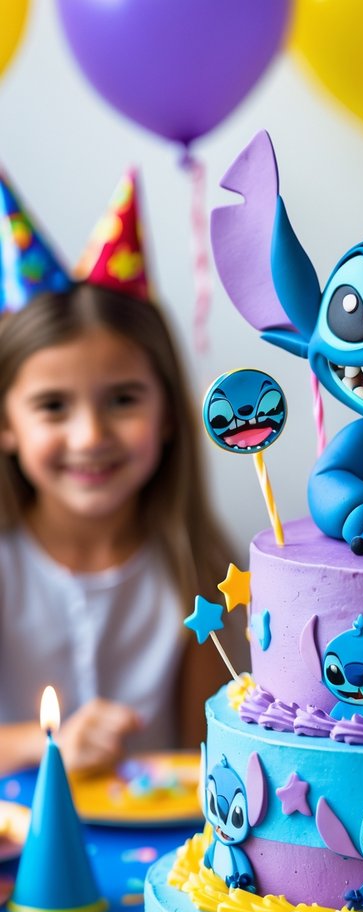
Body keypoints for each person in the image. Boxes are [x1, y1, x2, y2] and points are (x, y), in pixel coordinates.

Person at [0, 173, 238, 774]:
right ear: (7, 424)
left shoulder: (200, 572)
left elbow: (209, 761)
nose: (90, 437)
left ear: (166, 416)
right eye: (53, 406)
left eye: (123, 400)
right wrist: (49, 744)